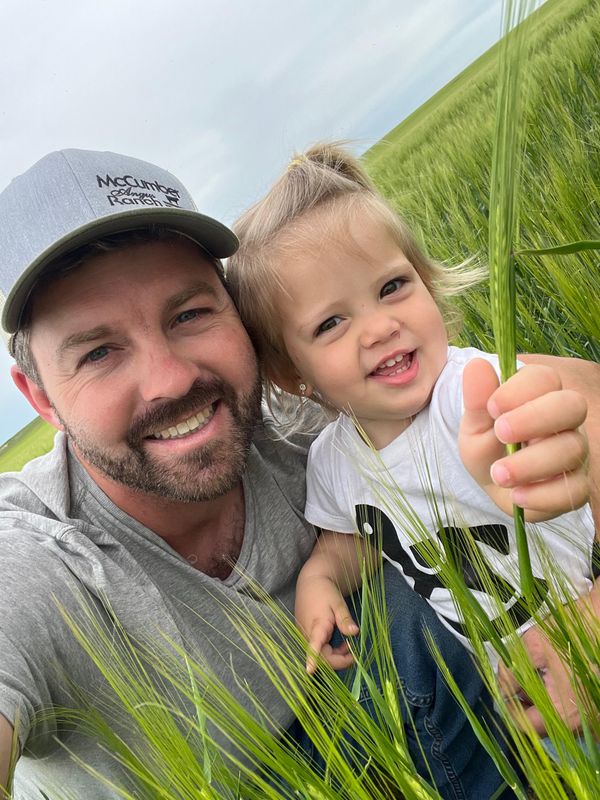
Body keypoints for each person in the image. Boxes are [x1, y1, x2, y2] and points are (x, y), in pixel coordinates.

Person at [0, 148, 596, 800]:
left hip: (432, 736)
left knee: (410, 604)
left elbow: (568, 394)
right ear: (41, 399)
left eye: (190, 314)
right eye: (98, 352)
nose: (171, 379)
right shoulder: (34, 561)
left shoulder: (308, 417)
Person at [227, 143, 600, 785]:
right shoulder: (336, 461)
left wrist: (534, 437)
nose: (378, 328)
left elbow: (570, 425)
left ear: (426, 282)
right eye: (332, 323)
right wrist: (319, 581)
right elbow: (358, 539)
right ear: (293, 374)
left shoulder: (472, 390)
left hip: (584, 636)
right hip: (517, 688)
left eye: (392, 287)